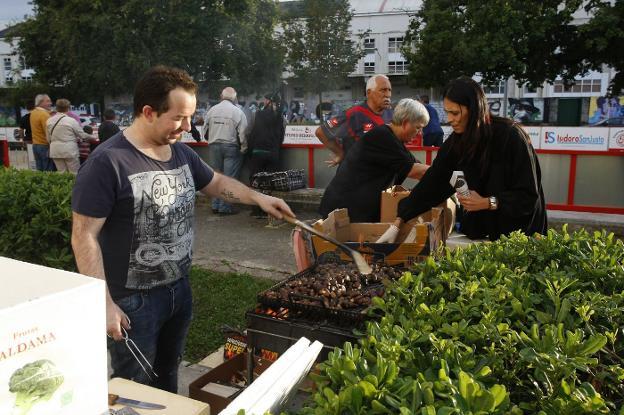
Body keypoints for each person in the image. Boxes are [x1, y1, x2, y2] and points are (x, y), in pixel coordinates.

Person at [71, 65, 293, 393]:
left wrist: (258, 198)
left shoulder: (181, 153)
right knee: (137, 392)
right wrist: (103, 303)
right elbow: (83, 235)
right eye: (179, 118)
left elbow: (216, 182)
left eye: (190, 117)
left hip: (178, 291)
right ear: (148, 112)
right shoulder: (108, 163)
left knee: (167, 379)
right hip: (133, 302)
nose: (188, 127)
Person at [378, 76, 547, 243]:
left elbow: (528, 196)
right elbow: (432, 184)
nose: (449, 119)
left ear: (474, 110)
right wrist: (399, 222)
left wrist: (487, 202)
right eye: (447, 112)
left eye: (455, 113)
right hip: (485, 232)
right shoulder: (456, 143)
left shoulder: (511, 136)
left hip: (522, 235)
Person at [319, 98, 430, 222]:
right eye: (418, 128)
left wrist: (447, 182)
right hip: (343, 212)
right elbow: (418, 171)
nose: (420, 133)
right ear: (405, 123)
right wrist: (453, 183)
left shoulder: (394, 141)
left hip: (357, 211)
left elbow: (419, 167)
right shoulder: (383, 137)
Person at [315, 74, 393, 167]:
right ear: (369, 93)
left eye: (389, 90)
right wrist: (340, 153)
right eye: (383, 90)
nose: (388, 94)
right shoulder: (354, 114)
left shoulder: (390, 114)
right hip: (354, 176)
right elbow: (321, 132)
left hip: (379, 175)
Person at [202, 86, 248, 215]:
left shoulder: (212, 110)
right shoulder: (237, 112)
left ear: (221, 96)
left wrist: (210, 141)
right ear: (234, 98)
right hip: (231, 147)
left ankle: (215, 205)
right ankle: (224, 208)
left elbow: (205, 130)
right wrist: (243, 148)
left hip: (214, 146)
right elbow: (243, 133)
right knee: (228, 179)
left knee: (216, 177)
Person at [47, 99, 97, 173]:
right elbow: (82, 135)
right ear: (68, 108)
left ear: (57, 108)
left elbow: (48, 138)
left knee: (61, 173)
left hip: (55, 150)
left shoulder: (49, 120)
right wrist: (94, 137)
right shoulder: (71, 121)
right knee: (74, 173)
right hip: (69, 150)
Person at [248, 93, 285, 179]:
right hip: (273, 153)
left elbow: (250, 132)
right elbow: (281, 136)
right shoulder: (280, 117)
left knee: (255, 180)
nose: (264, 101)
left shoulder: (257, 115)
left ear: (269, 101)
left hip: (258, 152)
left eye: (265, 100)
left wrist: (249, 151)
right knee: (271, 182)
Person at [30, 93, 55, 171]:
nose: (50, 103)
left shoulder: (33, 112)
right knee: (48, 170)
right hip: (45, 146)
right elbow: (49, 133)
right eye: (48, 101)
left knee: (40, 170)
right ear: (41, 102)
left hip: (35, 145)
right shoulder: (44, 115)